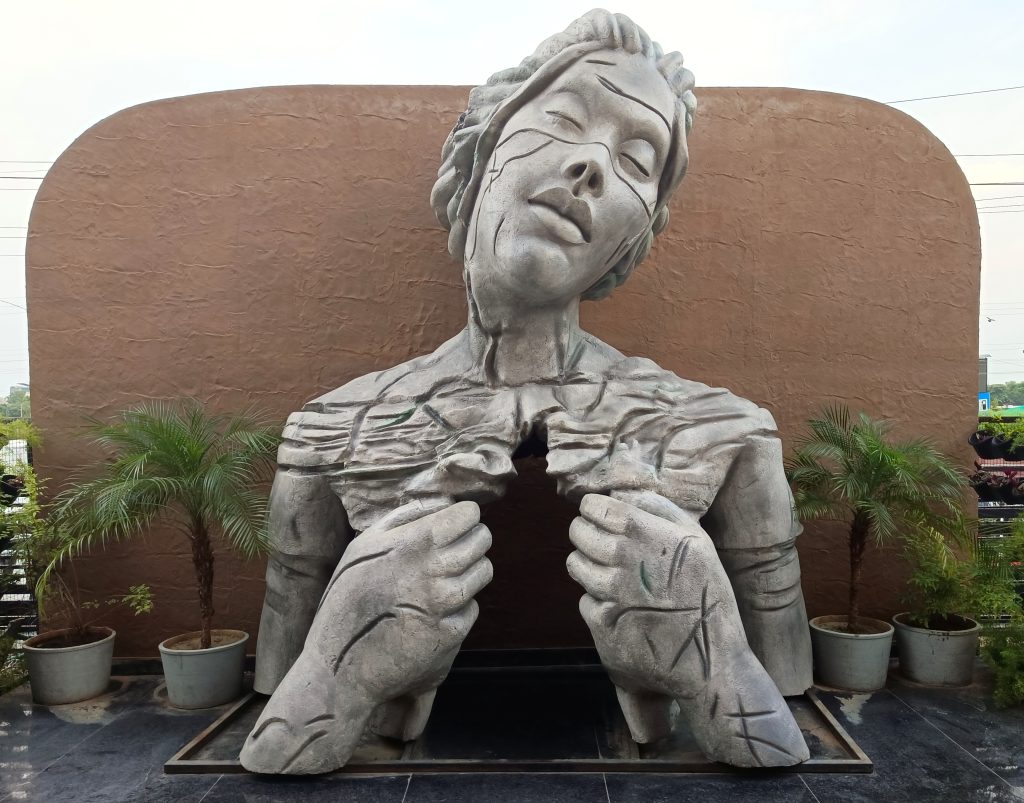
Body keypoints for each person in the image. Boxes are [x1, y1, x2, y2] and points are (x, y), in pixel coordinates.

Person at [242, 10, 812, 774]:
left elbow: (792, 715)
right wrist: (335, 671)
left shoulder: (726, 433)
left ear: (635, 235)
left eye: (637, 159)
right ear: (482, 149)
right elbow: (272, 714)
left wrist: (717, 661)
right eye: (566, 118)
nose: (592, 166)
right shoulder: (330, 432)